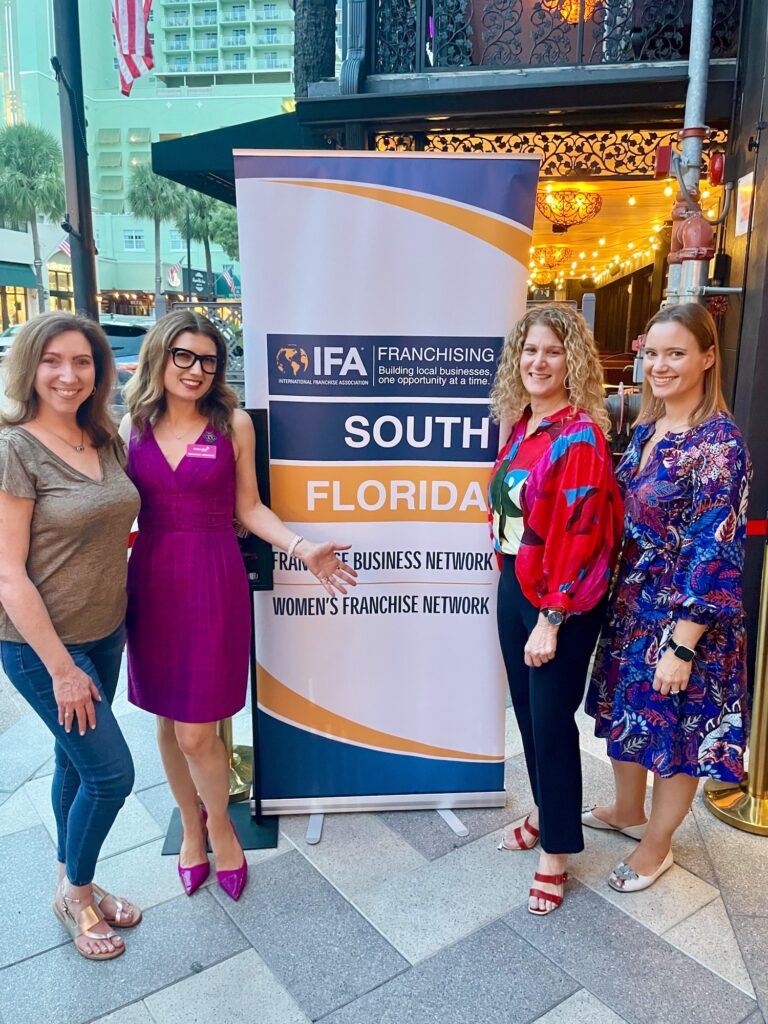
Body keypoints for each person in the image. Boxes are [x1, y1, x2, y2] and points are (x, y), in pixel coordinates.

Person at [121, 311, 356, 902]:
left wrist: (302, 549)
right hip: (150, 578)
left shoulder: (234, 425)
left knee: (200, 729)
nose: (196, 369)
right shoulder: (133, 424)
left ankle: (220, 825)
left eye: (207, 360)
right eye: (183, 355)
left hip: (211, 577)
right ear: (160, 355)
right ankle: (191, 831)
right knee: (168, 721)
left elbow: (250, 508)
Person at [585, 303, 751, 892]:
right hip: (633, 605)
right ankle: (628, 812)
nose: (659, 365)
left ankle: (657, 846)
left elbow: (715, 549)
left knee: (676, 732)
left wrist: (682, 646)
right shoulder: (651, 429)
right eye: (652, 353)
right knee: (627, 716)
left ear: (708, 358)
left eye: (675, 353)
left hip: (685, 619)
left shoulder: (719, 445)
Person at [0, 312, 141, 961]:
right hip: (41, 648)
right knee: (111, 776)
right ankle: (77, 895)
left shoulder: (102, 437)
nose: (68, 374)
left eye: (82, 361)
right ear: (30, 366)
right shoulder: (14, 448)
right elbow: (8, 576)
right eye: (53, 360)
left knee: (72, 762)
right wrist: (61, 668)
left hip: (105, 631)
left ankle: (70, 874)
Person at [488, 303, 623, 916]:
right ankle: (546, 812)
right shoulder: (522, 425)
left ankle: (558, 852)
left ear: (573, 363)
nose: (538, 362)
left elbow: (581, 534)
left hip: (558, 603)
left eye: (552, 351)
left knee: (550, 724)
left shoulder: (580, 437)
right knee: (528, 713)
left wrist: (551, 616)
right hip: (518, 587)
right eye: (530, 350)